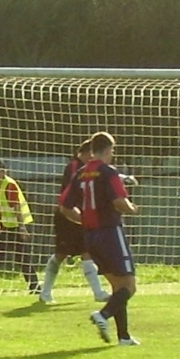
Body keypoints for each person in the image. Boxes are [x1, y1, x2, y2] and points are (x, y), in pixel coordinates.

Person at [60, 132, 140, 346]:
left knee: (117, 287)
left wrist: (83, 219)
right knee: (129, 287)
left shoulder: (81, 173)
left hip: (90, 236)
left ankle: (124, 337)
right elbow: (119, 202)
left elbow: (64, 206)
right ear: (108, 149)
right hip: (110, 233)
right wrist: (132, 208)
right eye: (112, 150)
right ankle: (102, 315)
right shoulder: (108, 172)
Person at [40, 139, 110, 303]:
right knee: (60, 254)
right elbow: (72, 192)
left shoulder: (88, 169)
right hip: (67, 216)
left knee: (86, 252)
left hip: (81, 216)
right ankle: (45, 292)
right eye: (91, 154)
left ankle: (98, 292)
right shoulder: (74, 167)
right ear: (85, 153)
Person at [0, 160, 40, 294]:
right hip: (8, 228)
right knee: (21, 258)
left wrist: (22, 228)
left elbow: (15, 207)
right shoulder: (0, 186)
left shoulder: (9, 185)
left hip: (13, 228)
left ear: (3, 171)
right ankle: (35, 286)